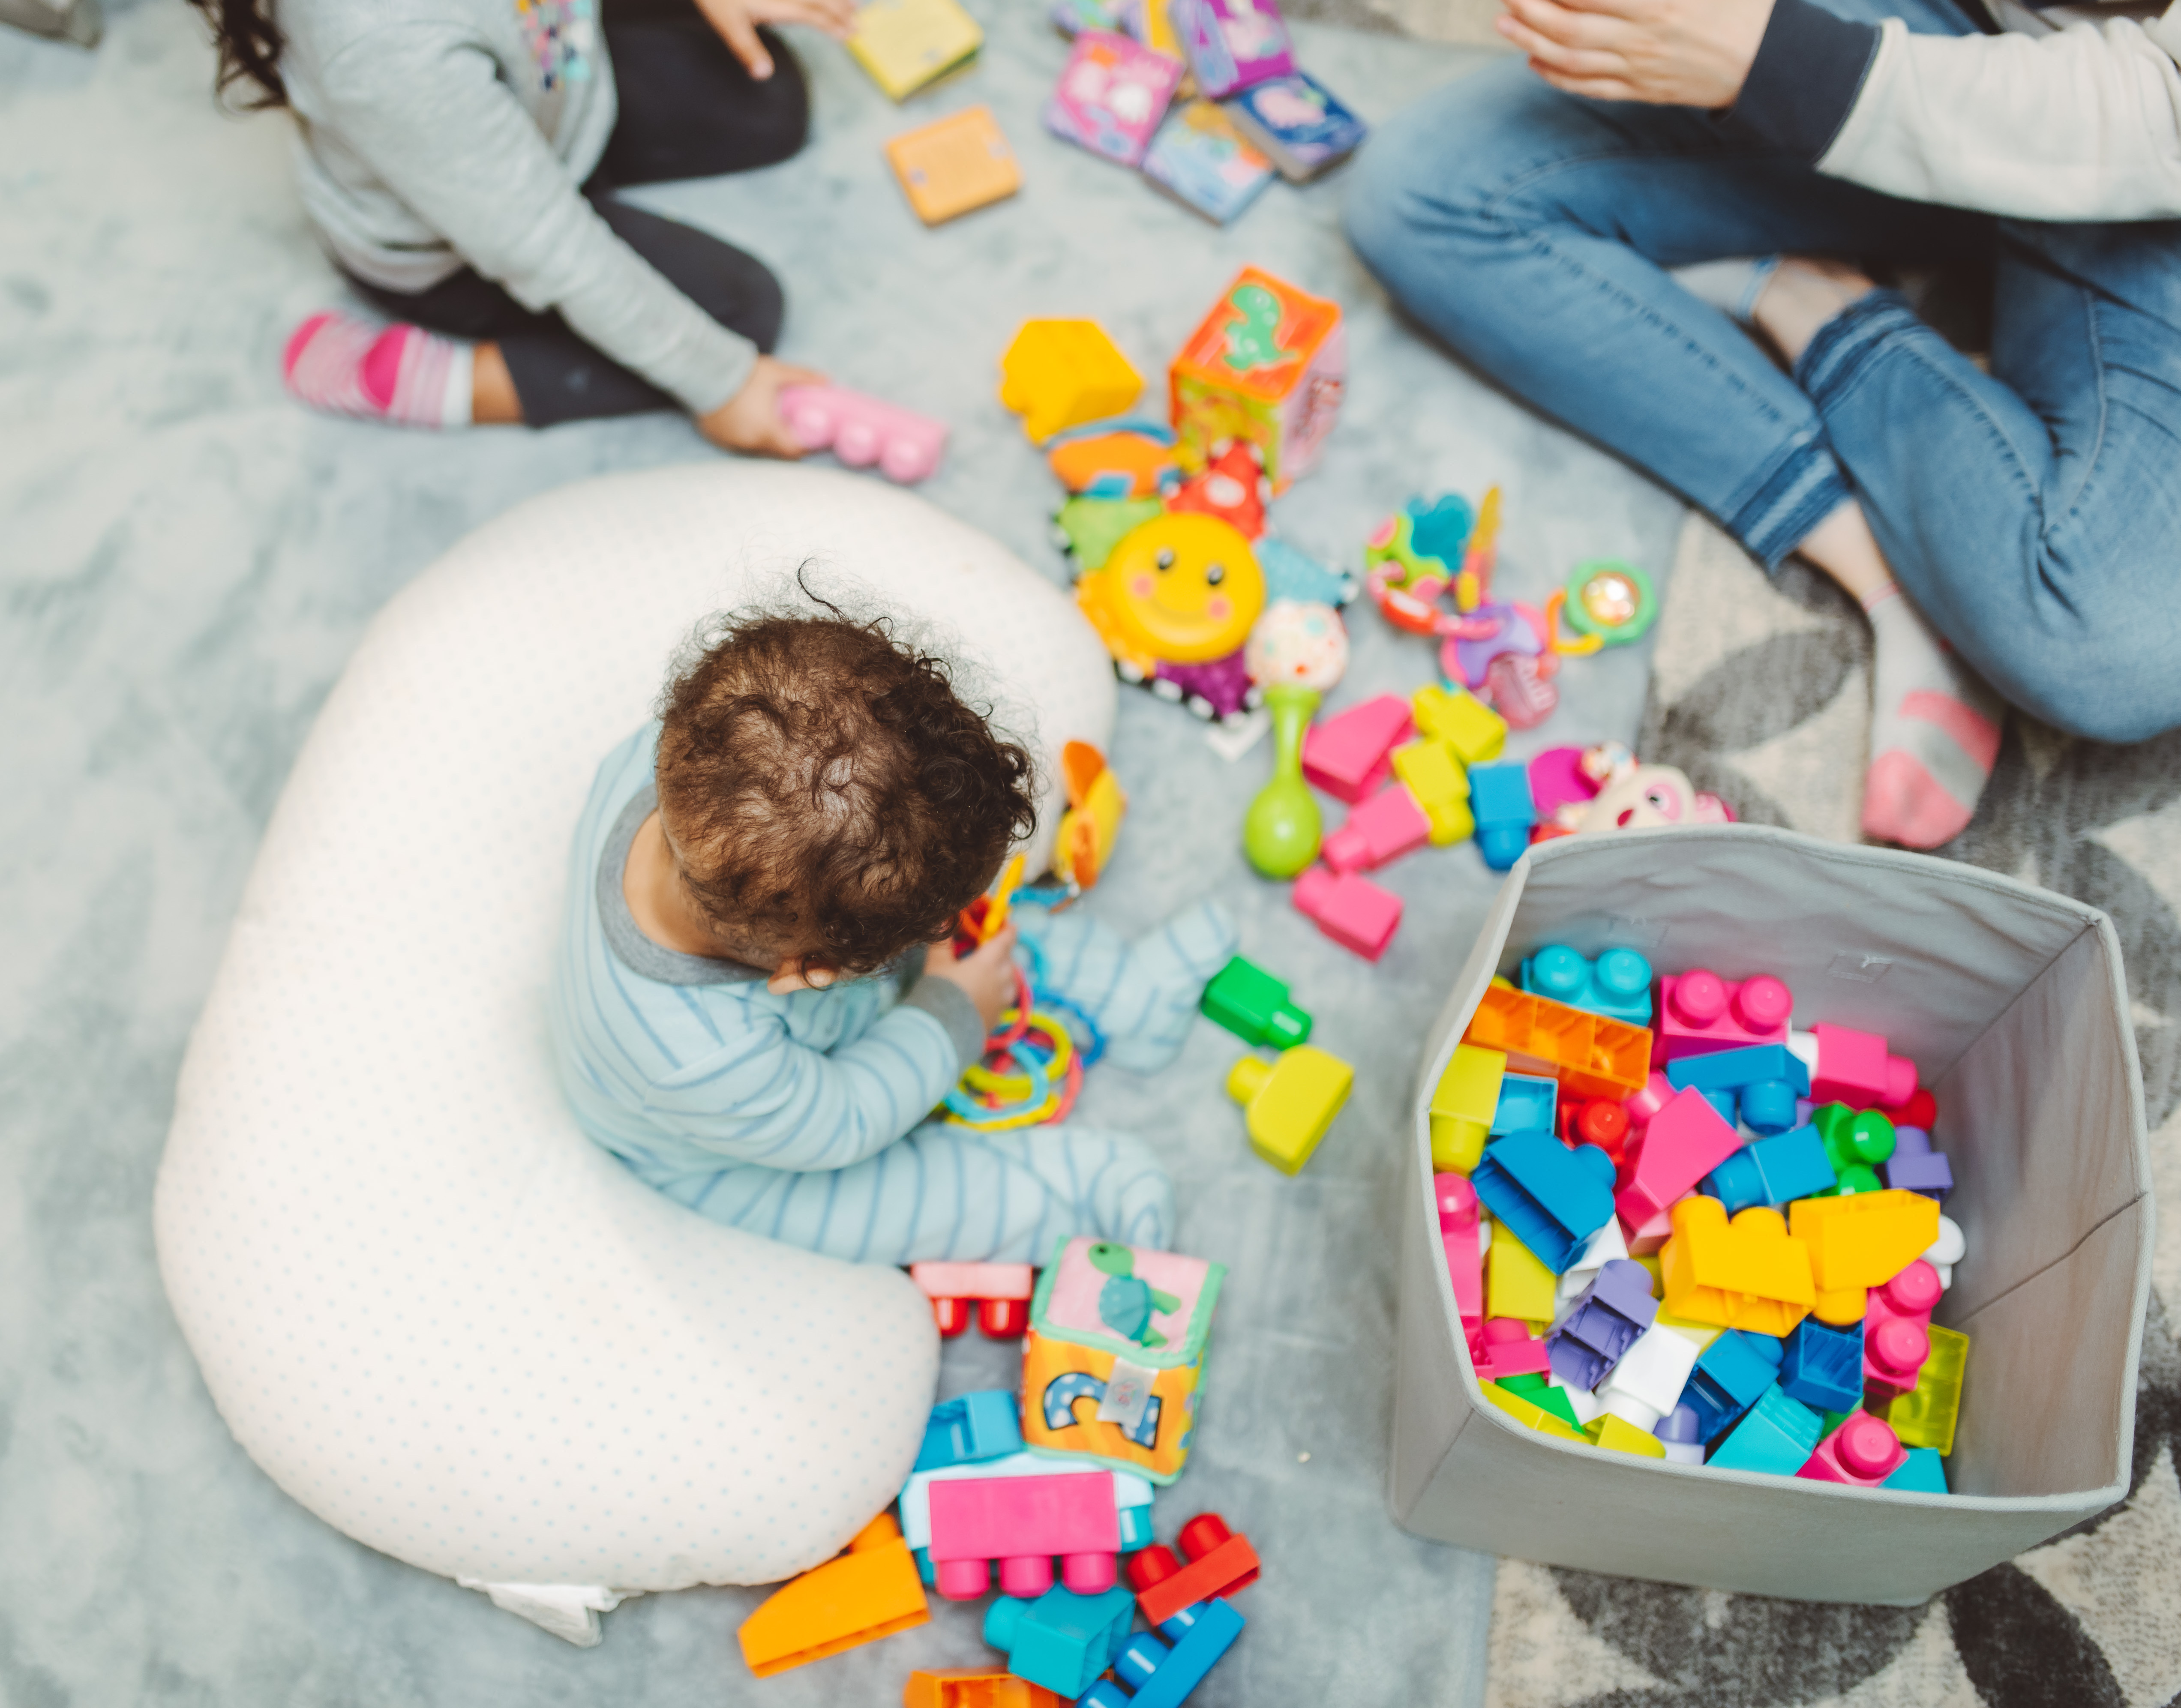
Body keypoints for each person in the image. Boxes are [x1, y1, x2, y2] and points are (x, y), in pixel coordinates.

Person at [1344, 0, 2181, 847]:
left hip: (2152, 165)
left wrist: (1782, 64)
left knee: (2103, 644)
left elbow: (2159, 106)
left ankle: (1826, 311)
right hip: (1954, 30)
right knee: (1426, 192)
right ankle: (1883, 573)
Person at [552, 603, 1234, 1262]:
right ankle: (1080, 1189)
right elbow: (843, 1118)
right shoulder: (699, 1058)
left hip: (797, 946)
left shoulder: (684, 756)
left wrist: (942, 947)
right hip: (728, 1146)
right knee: (883, 1200)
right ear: (810, 974)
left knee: (983, 931)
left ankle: (1129, 999)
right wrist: (949, 1013)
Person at [188, 0, 849, 453]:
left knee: (771, 99)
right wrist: (720, 384)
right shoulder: (380, 43)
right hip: (450, 247)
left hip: (554, 74)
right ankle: (444, 381)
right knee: (741, 317)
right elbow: (545, 244)